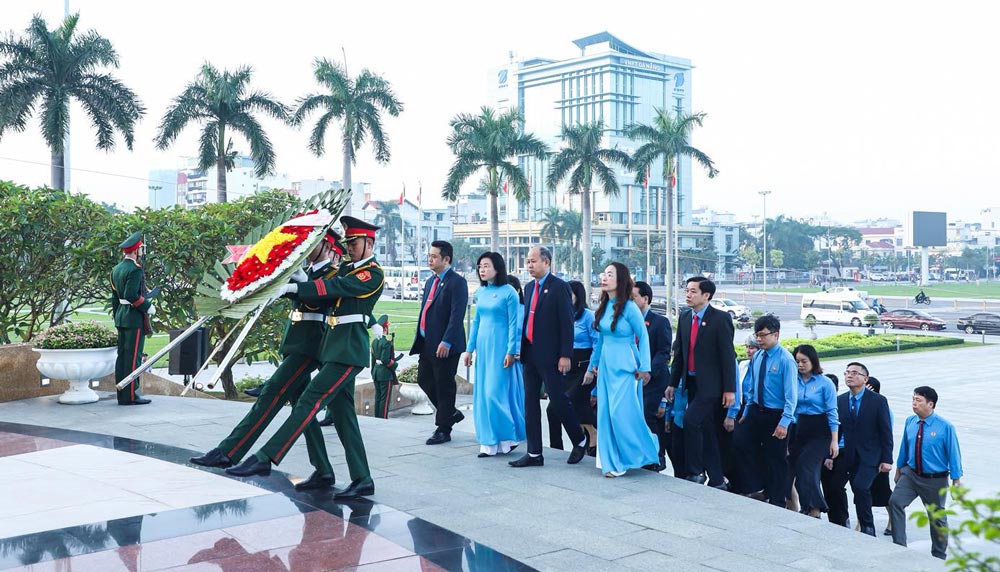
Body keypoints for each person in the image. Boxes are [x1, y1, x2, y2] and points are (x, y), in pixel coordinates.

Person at [225, 216, 383, 500]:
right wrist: (295, 280)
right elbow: (320, 289)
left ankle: (267, 457)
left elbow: (334, 289)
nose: (349, 247)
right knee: (345, 416)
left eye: (354, 242)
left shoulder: (372, 274)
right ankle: (361, 478)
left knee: (309, 399)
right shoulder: (345, 268)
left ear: (369, 243)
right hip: (332, 348)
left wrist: (297, 288)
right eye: (347, 242)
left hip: (349, 351)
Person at [191, 229, 348, 492]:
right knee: (302, 410)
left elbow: (317, 302)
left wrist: (299, 283)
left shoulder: (333, 274)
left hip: (311, 346)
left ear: (326, 245)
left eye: (313, 244)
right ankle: (323, 469)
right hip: (297, 343)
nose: (307, 249)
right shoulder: (303, 270)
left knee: (271, 395)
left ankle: (229, 451)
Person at [509, 247, 588, 468]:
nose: (529, 265)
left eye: (534, 261)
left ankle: (579, 439)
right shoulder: (529, 287)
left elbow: (566, 323)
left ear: (547, 262)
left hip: (551, 355)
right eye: (528, 261)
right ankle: (534, 452)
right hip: (529, 352)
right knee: (530, 403)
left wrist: (565, 354)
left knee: (558, 400)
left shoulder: (559, 287)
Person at [582, 263, 657, 477]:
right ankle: (613, 461)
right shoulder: (605, 306)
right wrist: (591, 366)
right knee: (606, 414)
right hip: (606, 366)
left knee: (619, 413)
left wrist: (644, 367)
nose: (604, 278)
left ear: (621, 279)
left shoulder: (631, 308)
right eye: (604, 274)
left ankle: (645, 447)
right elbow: (601, 340)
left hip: (626, 367)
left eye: (610, 274)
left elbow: (643, 337)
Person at [665, 277, 736, 488]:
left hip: (711, 386)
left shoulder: (720, 318)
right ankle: (717, 478)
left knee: (690, 420)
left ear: (706, 295)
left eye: (693, 291)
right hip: (692, 383)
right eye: (686, 290)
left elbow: (727, 356)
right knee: (706, 429)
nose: (688, 295)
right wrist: (672, 383)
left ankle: (696, 472)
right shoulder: (686, 317)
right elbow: (679, 354)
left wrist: (729, 389)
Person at [890, 386, 963, 560]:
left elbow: (954, 454)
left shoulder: (945, 427)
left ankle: (938, 555)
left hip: (934, 480)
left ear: (930, 404)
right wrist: (899, 469)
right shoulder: (910, 421)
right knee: (895, 502)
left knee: (937, 518)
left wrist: (956, 480)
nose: (914, 403)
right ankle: (899, 546)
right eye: (913, 399)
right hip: (911, 474)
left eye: (918, 400)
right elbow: (904, 447)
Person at [464, 252, 526, 457]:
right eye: (480, 266)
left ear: (497, 268)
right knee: (482, 394)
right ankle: (489, 442)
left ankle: (508, 437)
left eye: (486, 266)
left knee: (494, 394)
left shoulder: (509, 292)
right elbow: (477, 322)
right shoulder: (480, 293)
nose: (482, 270)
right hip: (483, 348)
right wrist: (469, 349)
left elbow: (513, 324)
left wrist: (511, 351)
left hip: (501, 349)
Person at [735, 314, 798, 506]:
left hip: (776, 414)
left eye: (763, 335)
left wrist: (784, 423)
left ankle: (778, 499)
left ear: (776, 334)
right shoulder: (759, 356)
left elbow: (791, 396)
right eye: (757, 335)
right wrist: (746, 412)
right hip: (756, 410)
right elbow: (753, 387)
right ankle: (756, 486)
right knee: (740, 442)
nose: (759, 339)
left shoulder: (786, 360)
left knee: (776, 458)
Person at [410, 240, 468, 445]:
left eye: (434, 256)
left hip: (445, 345)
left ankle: (443, 428)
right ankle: (450, 412)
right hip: (427, 342)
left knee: (444, 385)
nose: (430, 259)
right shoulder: (430, 281)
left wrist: (447, 341)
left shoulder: (456, 282)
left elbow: (456, 315)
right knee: (424, 379)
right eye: (429, 256)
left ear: (446, 259)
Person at [788, 345, 839, 518]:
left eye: (804, 361)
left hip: (820, 430)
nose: (800, 365)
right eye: (797, 362)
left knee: (807, 465)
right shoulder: (792, 379)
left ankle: (815, 507)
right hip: (797, 427)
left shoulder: (824, 383)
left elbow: (832, 412)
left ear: (813, 361)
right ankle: (805, 506)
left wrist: (834, 440)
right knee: (794, 466)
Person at [549, 280, 599, 453]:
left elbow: (597, 343)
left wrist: (590, 369)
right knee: (552, 409)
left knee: (569, 400)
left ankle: (590, 434)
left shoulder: (588, 316)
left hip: (583, 367)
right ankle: (557, 447)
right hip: (565, 368)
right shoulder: (562, 315)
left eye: (569, 294)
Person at [110, 231, 155, 406]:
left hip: (122, 317)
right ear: (136, 251)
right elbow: (130, 295)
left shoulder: (116, 269)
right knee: (133, 358)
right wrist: (147, 306)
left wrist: (117, 317)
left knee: (122, 357)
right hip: (134, 318)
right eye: (140, 249)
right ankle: (129, 395)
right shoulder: (134, 269)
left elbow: (115, 298)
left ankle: (122, 393)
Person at [632, 280, 672, 472]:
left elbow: (664, 352)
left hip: (654, 380)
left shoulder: (660, 322)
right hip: (632, 379)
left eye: (634, 298)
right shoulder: (629, 321)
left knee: (649, 416)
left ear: (645, 298)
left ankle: (657, 455)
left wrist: (647, 370)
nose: (630, 301)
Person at [370, 314, 401, 419]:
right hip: (385, 374)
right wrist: (395, 365)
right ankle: (382, 418)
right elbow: (385, 360)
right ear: (385, 328)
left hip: (376, 373)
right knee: (385, 398)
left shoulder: (374, 342)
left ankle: (377, 417)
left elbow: (373, 361)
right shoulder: (386, 342)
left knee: (378, 397)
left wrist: (373, 372)